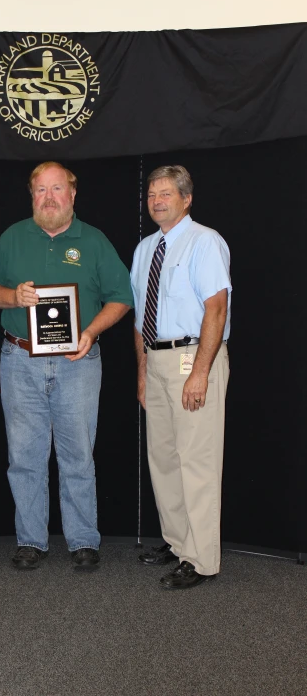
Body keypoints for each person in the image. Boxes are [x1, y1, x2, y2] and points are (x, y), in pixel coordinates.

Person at [0, 161, 133, 570]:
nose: (49, 198)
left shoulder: (94, 241)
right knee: (25, 456)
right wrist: (13, 297)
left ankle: (83, 539)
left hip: (78, 364)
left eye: (57, 189)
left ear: (72, 193)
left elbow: (122, 296)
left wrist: (92, 332)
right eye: (40, 191)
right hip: (19, 360)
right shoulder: (13, 237)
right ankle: (31, 539)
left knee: (77, 455)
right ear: (32, 196)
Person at [130, 165, 231, 590]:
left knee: (197, 462)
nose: (157, 200)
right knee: (165, 460)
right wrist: (142, 372)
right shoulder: (145, 249)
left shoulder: (204, 242)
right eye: (152, 194)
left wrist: (201, 373)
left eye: (166, 193)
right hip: (156, 363)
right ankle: (176, 542)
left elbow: (216, 308)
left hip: (194, 359)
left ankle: (202, 559)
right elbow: (141, 319)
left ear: (186, 199)